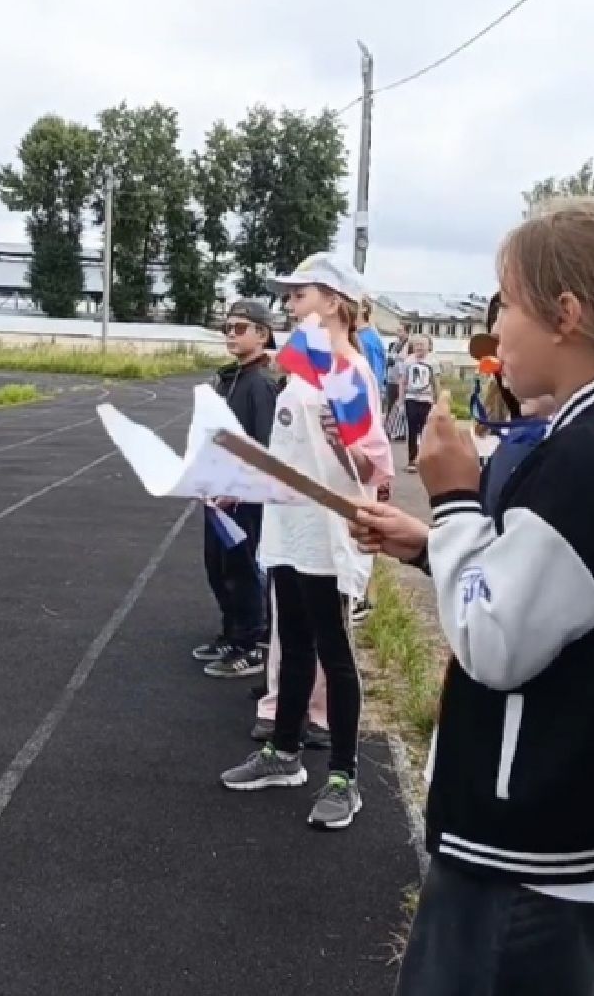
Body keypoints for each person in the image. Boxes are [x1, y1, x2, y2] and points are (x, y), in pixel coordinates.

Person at [350, 198, 594, 995]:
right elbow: (582, 597)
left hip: (537, 855)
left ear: (565, 314)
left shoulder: (588, 457)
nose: (495, 335)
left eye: (506, 306)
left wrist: (452, 502)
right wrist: (431, 547)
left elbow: (496, 643)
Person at [219, 253, 393, 831]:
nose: (289, 304)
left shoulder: (348, 369)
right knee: (291, 643)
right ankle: (284, 753)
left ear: (334, 302)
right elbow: (290, 448)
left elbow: (373, 465)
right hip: (287, 523)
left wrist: (347, 440)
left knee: (332, 650)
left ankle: (344, 777)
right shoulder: (300, 367)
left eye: (300, 294)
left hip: (328, 528)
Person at [192, 300, 281, 680]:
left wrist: (241, 488)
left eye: (240, 328)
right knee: (218, 566)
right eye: (227, 327)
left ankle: (251, 643)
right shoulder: (232, 380)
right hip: (219, 491)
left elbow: (263, 445)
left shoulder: (260, 384)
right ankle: (231, 633)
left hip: (242, 496)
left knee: (242, 568)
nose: (231, 334)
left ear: (262, 335)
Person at [399, 334, 441, 471]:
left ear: (428, 347)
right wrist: (400, 402)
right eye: (417, 345)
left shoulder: (433, 362)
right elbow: (403, 381)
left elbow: (436, 383)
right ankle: (412, 460)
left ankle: (424, 459)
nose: (419, 348)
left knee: (425, 430)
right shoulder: (408, 361)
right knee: (411, 429)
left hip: (426, 399)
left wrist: (437, 401)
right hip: (411, 398)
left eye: (422, 345)